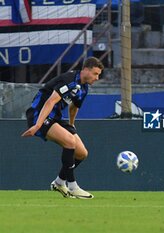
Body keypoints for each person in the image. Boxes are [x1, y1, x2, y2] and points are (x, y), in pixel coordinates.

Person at [21, 57, 104, 199]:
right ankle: (72, 186)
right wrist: (37, 125)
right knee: (69, 142)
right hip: (39, 114)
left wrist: (71, 125)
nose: (97, 78)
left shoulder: (83, 88)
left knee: (82, 153)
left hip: (56, 117)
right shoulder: (70, 79)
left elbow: (74, 107)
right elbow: (50, 101)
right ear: (85, 70)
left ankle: (59, 182)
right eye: (95, 74)